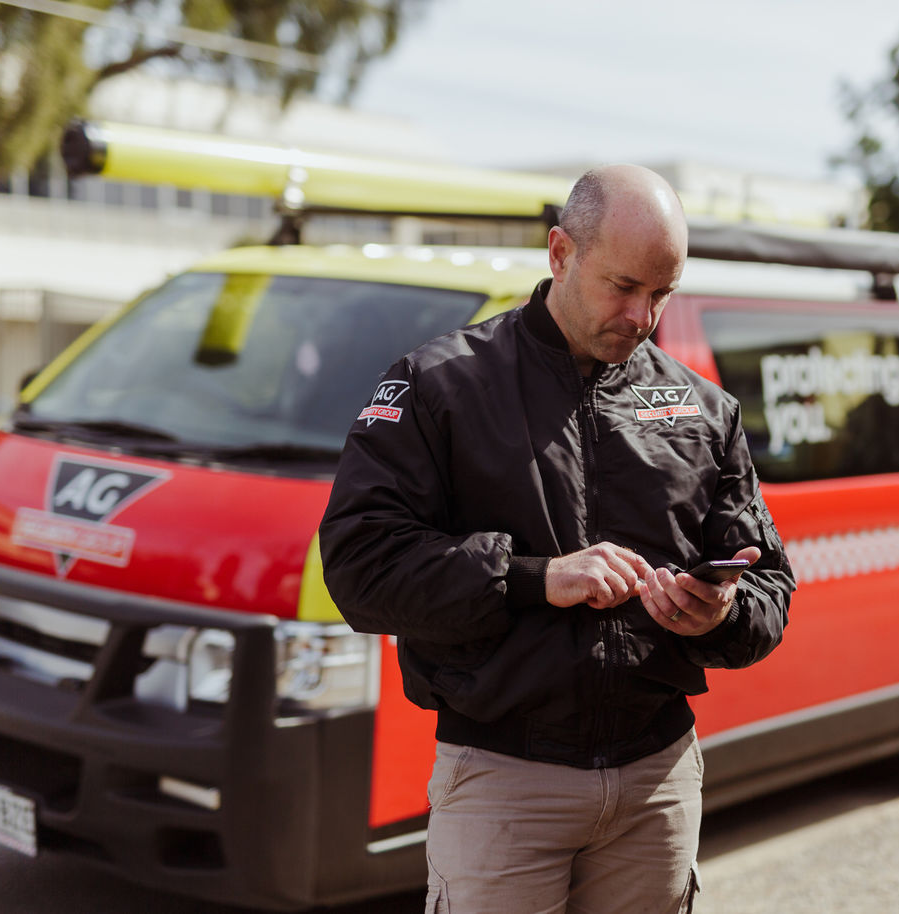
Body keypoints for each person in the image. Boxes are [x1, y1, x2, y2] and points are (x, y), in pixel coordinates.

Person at [319, 165, 795, 913]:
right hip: (505, 780)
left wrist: (722, 614)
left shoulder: (704, 411)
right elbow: (358, 568)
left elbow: (771, 585)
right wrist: (532, 577)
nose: (642, 316)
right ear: (560, 253)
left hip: (658, 779)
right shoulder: (439, 387)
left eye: (662, 294)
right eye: (624, 286)